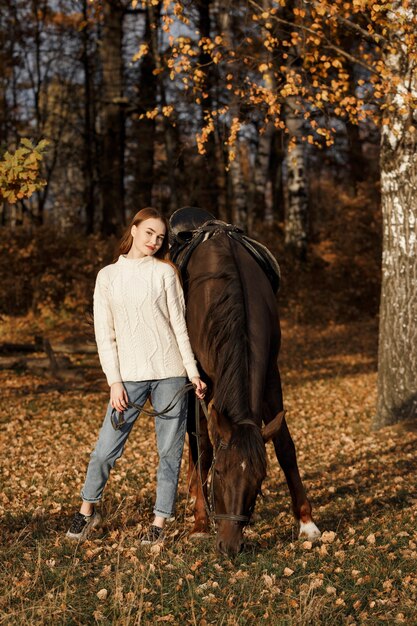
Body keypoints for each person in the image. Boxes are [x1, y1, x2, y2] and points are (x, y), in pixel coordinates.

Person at [66, 207, 206, 544]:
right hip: (128, 379)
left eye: (160, 238)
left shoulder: (165, 274)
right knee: (103, 451)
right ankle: (87, 511)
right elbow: (105, 334)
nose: (154, 242)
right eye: (149, 233)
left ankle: (159, 522)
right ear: (134, 229)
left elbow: (179, 327)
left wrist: (192, 372)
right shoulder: (108, 277)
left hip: (170, 375)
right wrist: (114, 380)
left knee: (169, 454)